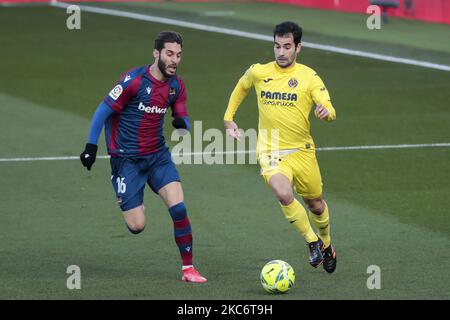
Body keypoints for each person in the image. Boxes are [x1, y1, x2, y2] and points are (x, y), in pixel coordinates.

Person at [79, 31, 207, 283]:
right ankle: (129, 195)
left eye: (179, 55)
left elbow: (182, 115)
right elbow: (102, 110)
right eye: (169, 54)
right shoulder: (134, 81)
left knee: (179, 209)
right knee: (136, 226)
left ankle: (188, 269)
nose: (174, 60)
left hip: (158, 156)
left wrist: (183, 124)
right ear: (156, 53)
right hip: (126, 160)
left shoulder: (176, 85)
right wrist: (91, 146)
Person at [224, 21, 337, 273]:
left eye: (287, 46)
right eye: (277, 46)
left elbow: (330, 109)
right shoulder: (259, 72)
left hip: (302, 151)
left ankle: (327, 243)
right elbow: (242, 87)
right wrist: (228, 118)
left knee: (316, 204)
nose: (281, 52)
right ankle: (311, 242)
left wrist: (325, 112)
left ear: (298, 47)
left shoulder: (309, 77)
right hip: (270, 149)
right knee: (283, 193)